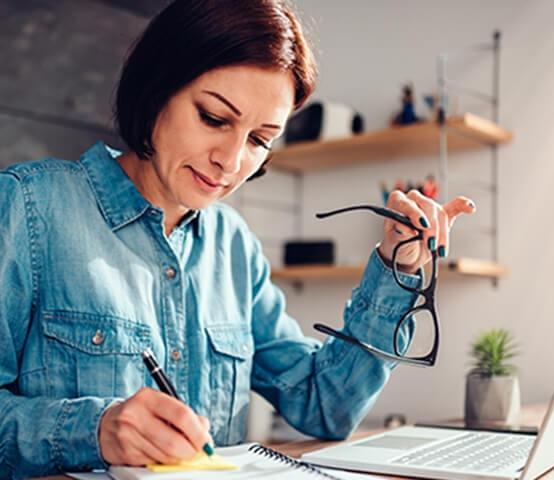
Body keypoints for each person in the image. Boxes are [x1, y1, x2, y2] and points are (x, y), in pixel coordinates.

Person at [0, 0, 475, 477]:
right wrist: (95, 429)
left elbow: (325, 406)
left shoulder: (233, 246)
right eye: (213, 118)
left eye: (259, 139)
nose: (230, 161)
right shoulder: (29, 206)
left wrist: (398, 266)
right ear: (157, 88)